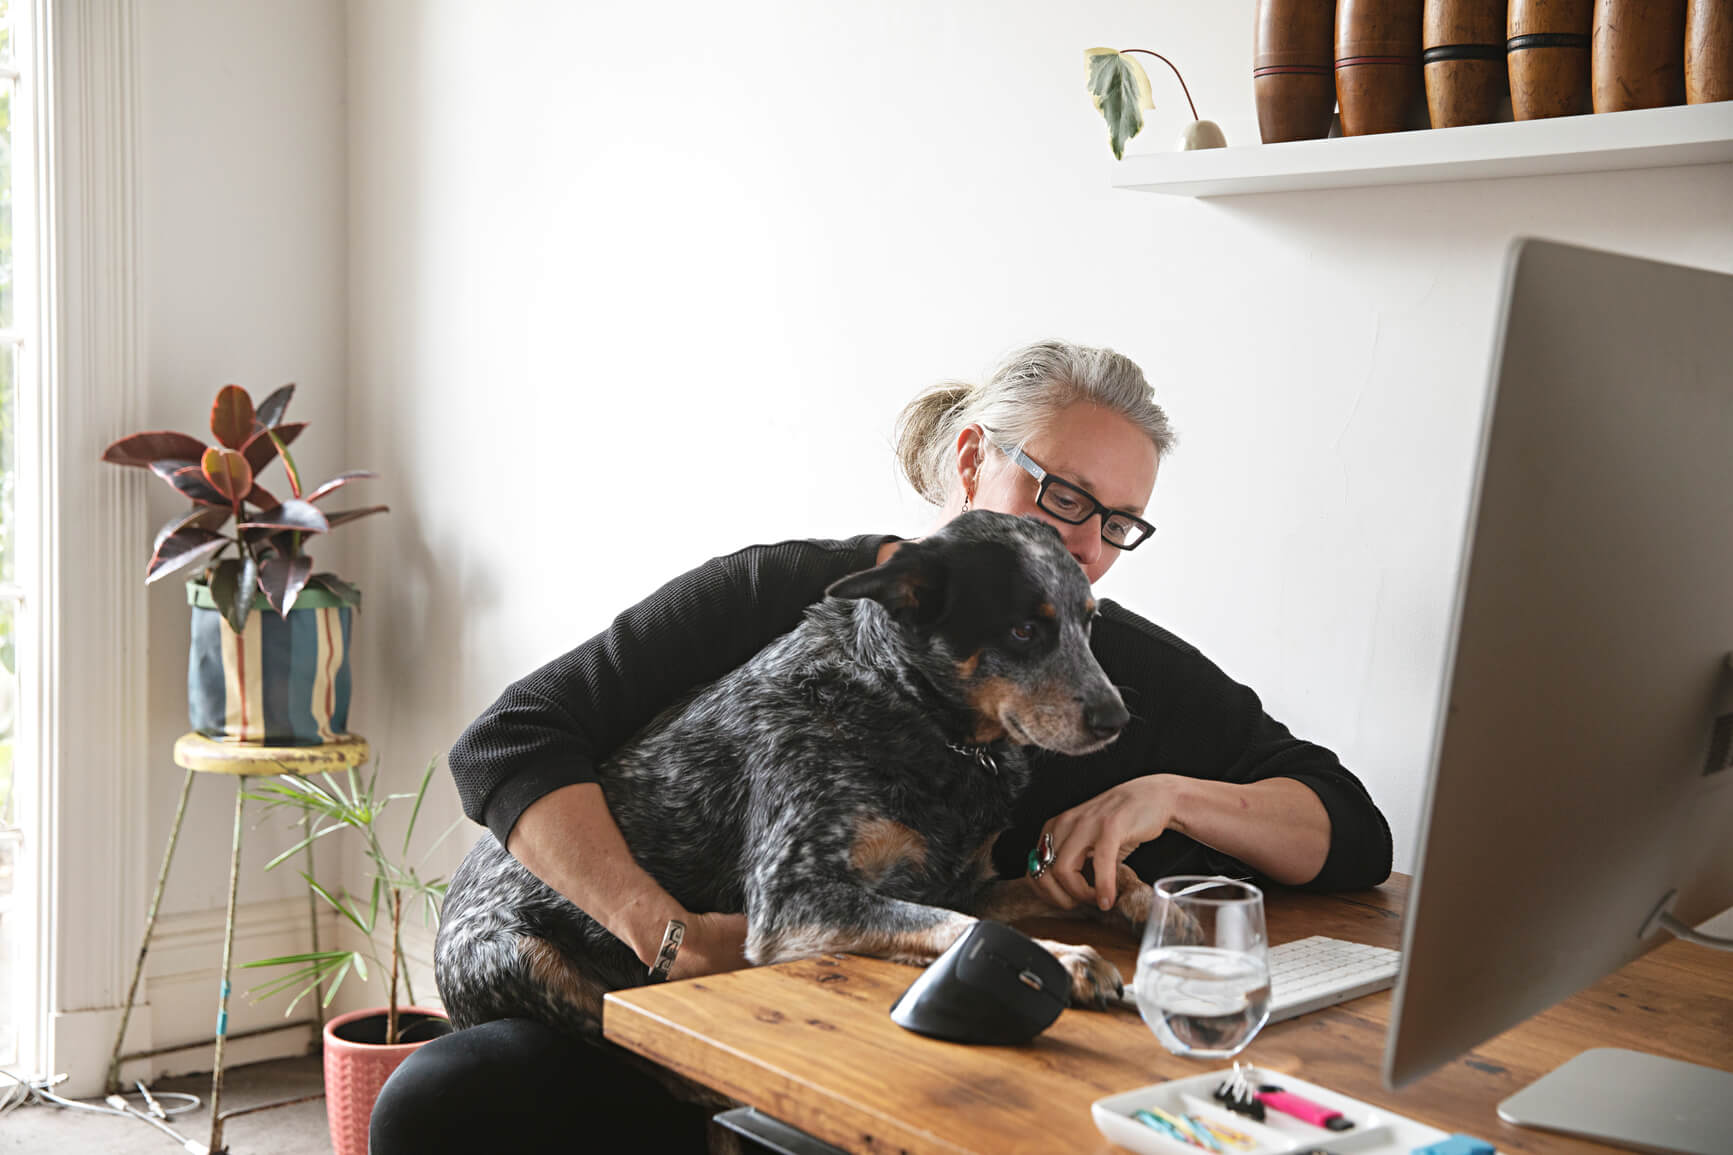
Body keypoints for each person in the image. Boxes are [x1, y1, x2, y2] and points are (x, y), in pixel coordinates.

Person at [370, 339, 1393, 1153]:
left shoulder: (1107, 667)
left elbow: (1347, 831)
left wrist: (1168, 794)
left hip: (907, 1035)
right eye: (1064, 496)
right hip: (632, 981)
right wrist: (670, 935)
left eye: (1118, 523)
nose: (1083, 546)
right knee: (447, 1100)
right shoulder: (785, 595)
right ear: (968, 458)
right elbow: (507, 742)